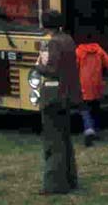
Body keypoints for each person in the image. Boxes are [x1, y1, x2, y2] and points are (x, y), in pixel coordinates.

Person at [35, 10, 82, 195]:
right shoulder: (68, 39)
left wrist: (38, 66)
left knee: (53, 142)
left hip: (53, 95)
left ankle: (54, 184)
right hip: (68, 95)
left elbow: (52, 69)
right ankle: (70, 179)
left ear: (45, 25)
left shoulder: (53, 42)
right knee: (65, 139)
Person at [76, 41, 108, 146]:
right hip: (97, 84)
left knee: (84, 108)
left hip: (84, 85)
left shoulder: (79, 51)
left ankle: (89, 129)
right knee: (95, 107)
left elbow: (74, 67)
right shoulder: (99, 50)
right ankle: (96, 130)